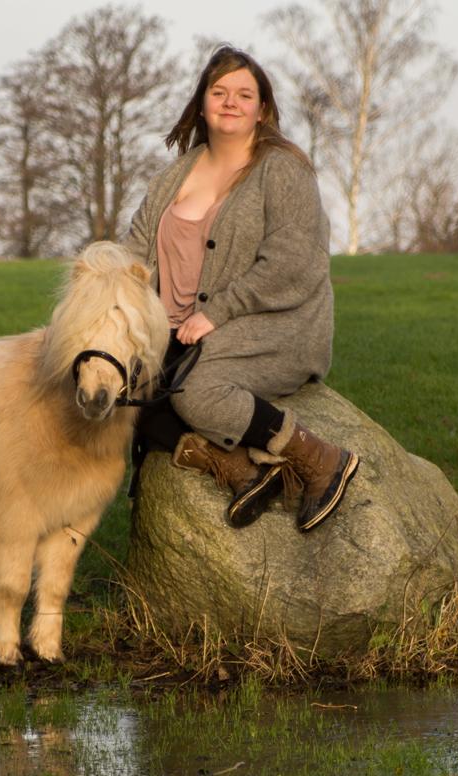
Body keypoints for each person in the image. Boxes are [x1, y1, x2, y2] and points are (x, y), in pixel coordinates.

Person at [123, 45, 359, 532]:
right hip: (176, 333)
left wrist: (218, 312)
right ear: (202, 102)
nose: (231, 101)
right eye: (219, 91)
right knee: (120, 397)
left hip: (274, 326)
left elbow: (293, 264)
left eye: (244, 94)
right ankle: (239, 469)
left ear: (262, 109)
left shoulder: (283, 169)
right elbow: (133, 257)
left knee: (193, 390)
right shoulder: (172, 177)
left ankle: (320, 459)